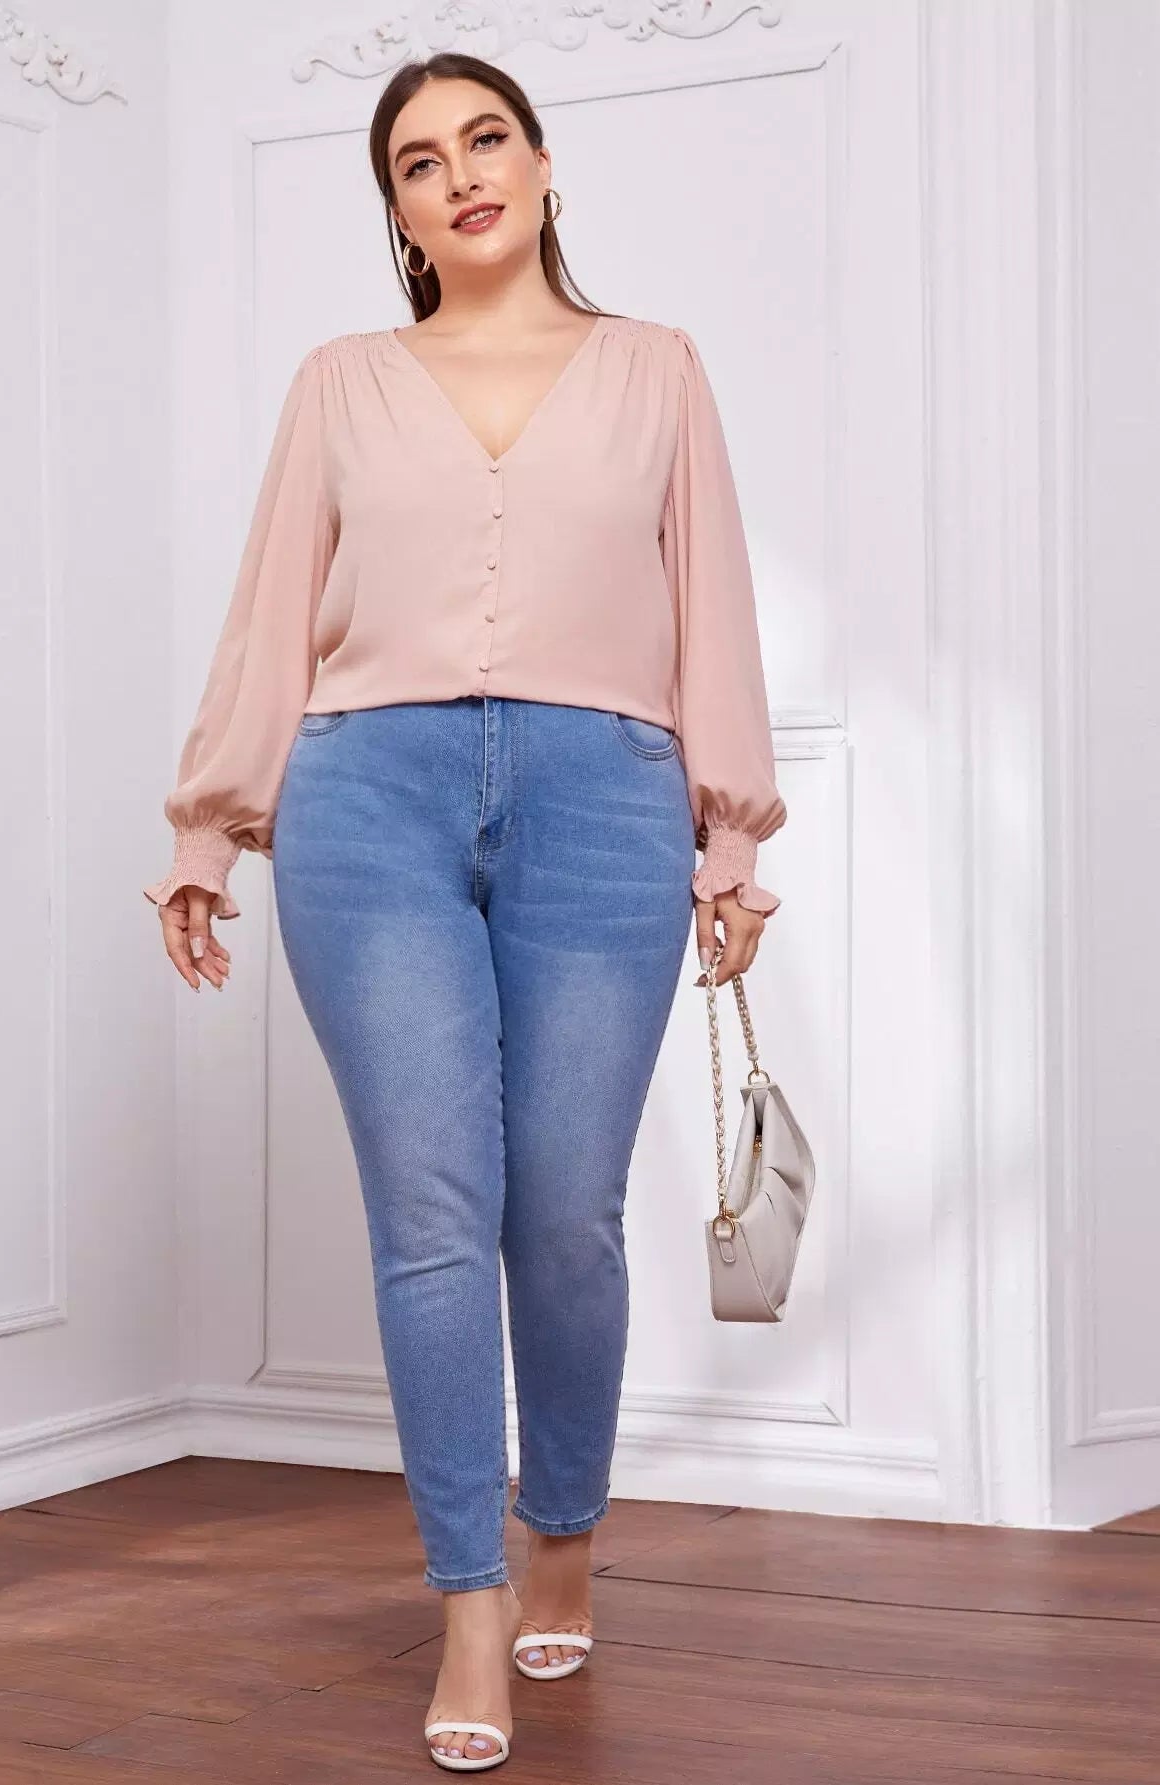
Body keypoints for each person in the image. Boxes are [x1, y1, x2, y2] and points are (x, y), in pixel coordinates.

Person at [143, 49, 786, 1776]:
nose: (461, 175)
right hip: (369, 798)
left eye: (486, 139)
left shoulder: (657, 369)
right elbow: (271, 611)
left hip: (604, 800)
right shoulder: (342, 382)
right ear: (401, 212)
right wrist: (208, 829)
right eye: (420, 162)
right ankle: (470, 1598)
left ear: (544, 162)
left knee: (565, 1211)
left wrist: (729, 838)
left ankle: (562, 1527)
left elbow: (714, 610)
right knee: (432, 1210)